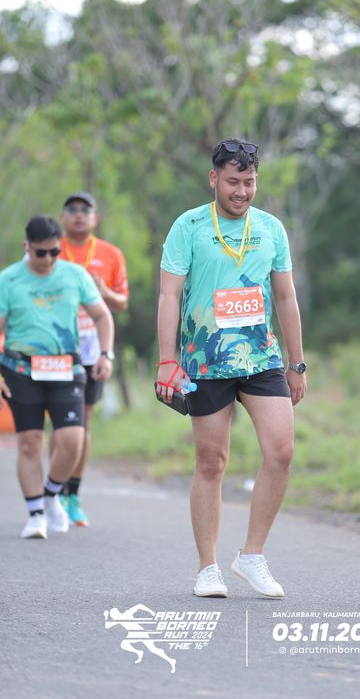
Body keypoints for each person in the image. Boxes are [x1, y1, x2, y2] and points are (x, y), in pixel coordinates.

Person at [156, 138, 306, 598]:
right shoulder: (189, 226)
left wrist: (297, 362)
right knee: (212, 462)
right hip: (205, 360)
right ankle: (208, 568)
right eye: (233, 182)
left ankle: (252, 555)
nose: (242, 191)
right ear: (214, 179)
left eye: (249, 182)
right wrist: (166, 360)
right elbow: (169, 295)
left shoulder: (271, 228)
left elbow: (285, 296)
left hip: (261, 358)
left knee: (281, 452)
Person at [0, 215, 114, 539]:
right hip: (21, 370)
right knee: (30, 443)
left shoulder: (75, 275)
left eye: (54, 252)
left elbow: (102, 316)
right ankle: (36, 514)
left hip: (66, 368)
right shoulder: (8, 280)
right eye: (41, 253)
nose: (48, 259)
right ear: (27, 247)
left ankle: (52, 494)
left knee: (72, 439)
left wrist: (105, 354)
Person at [55, 191, 128, 526]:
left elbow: (121, 303)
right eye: (72, 209)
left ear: (95, 218)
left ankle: (71, 494)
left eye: (85, 209)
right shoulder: (50, 250)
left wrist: (104, 291)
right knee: (61, 424)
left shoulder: (110, 254)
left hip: (93, 348)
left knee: (81, 423)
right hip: (55, 346)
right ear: (63, 217)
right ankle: (53, 488)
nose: (79, 214)